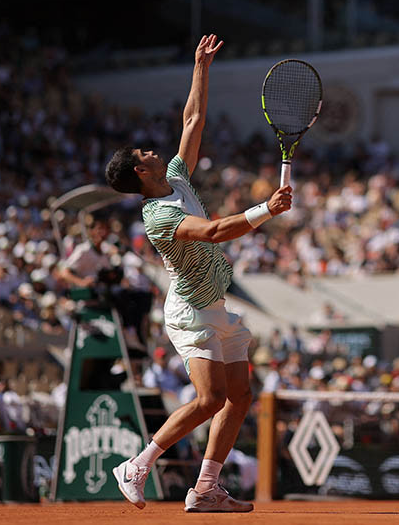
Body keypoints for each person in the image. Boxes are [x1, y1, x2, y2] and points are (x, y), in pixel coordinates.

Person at [104, 35, 291, 513]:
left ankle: (206, 488)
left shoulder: (176, 175)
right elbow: (211, 232)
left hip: (216, 305)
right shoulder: (158, 216)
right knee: (209, 399)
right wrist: (265, 209)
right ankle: (137, 465)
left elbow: (193, 118)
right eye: (143, 153)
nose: (150, 151)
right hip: (190, 312)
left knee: (240, 395)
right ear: (140, 173)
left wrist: (200, 66)